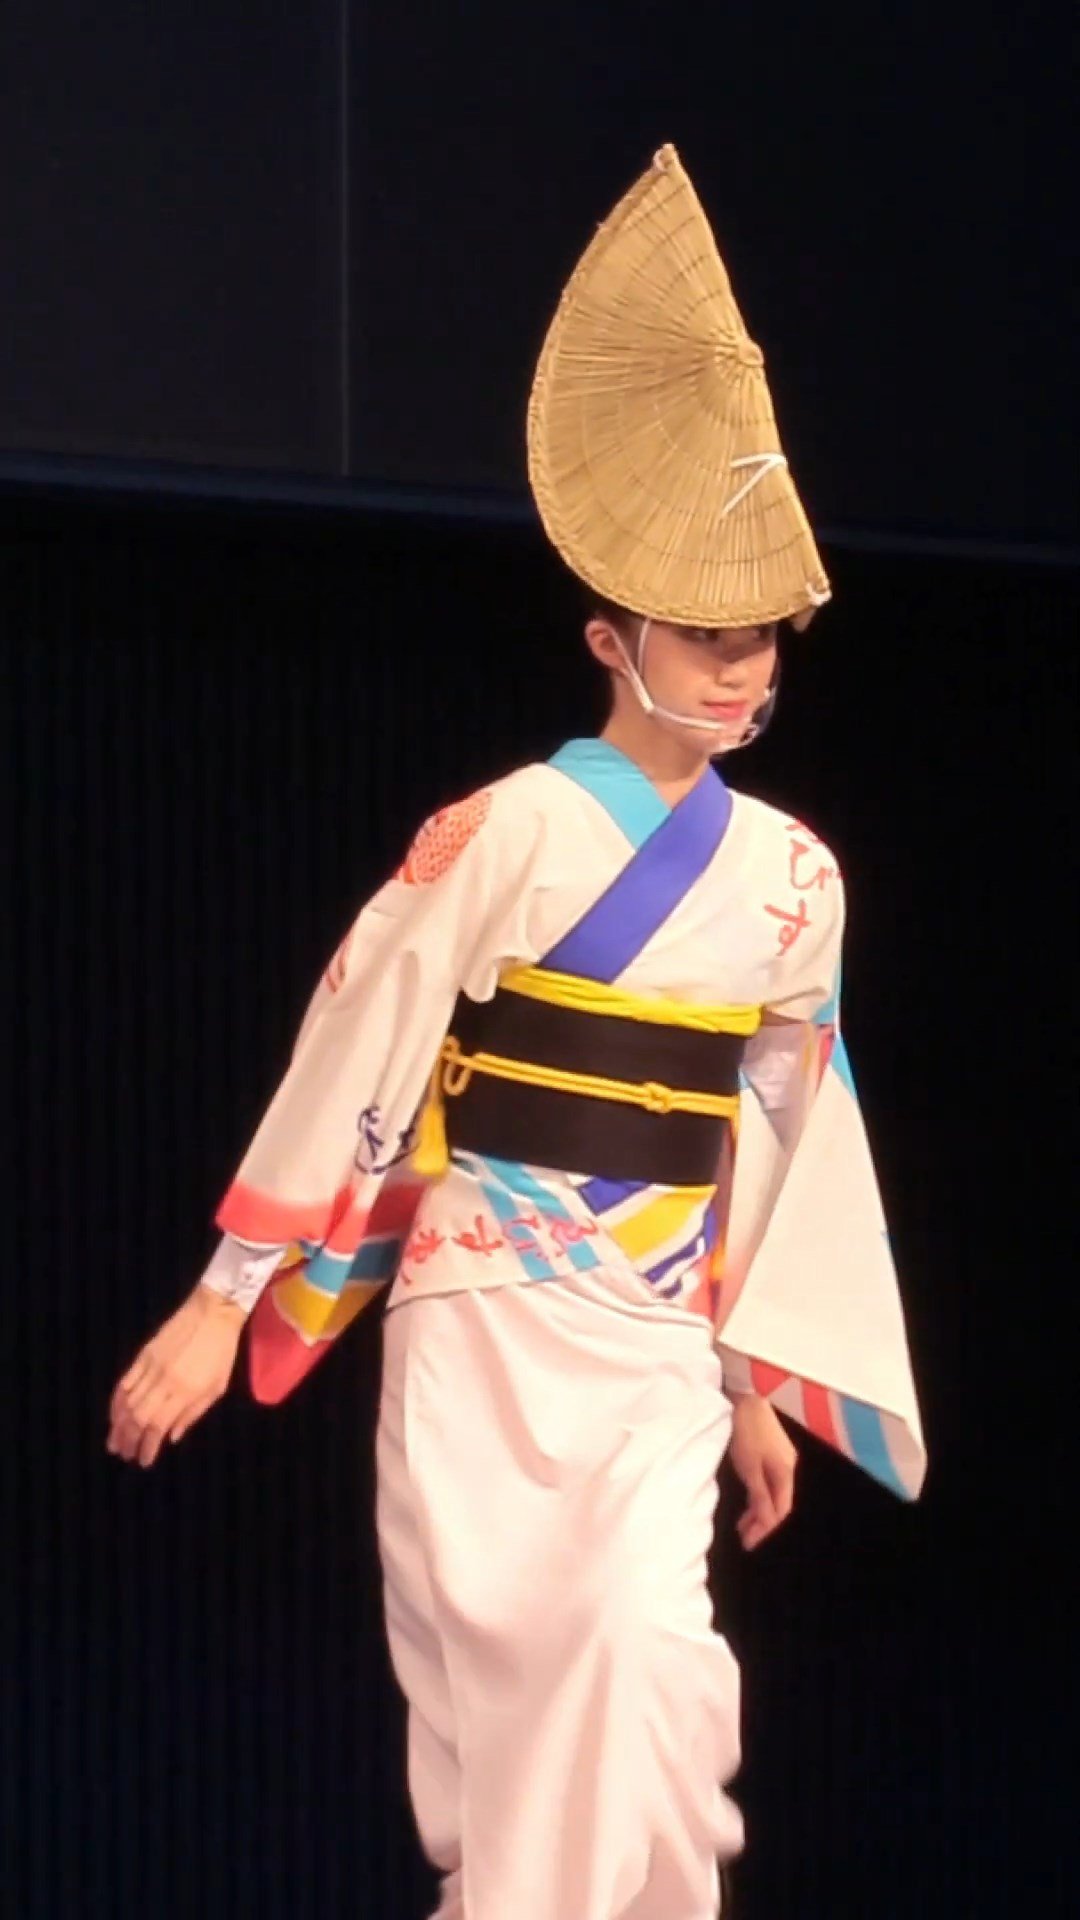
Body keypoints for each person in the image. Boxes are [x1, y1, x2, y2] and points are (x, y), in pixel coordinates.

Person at [107, 145, 924, 1920]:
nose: (740, 673)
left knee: (645, 1666)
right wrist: (220, 1295)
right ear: (609, 638)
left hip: (647, 1331)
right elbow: (369, 1042)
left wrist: (753, 1370)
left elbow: (779, 1132)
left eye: (764, 641)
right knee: (523, 1682)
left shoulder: (799, 879)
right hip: (485, 1298)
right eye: (705, 637)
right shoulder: (512, 833)